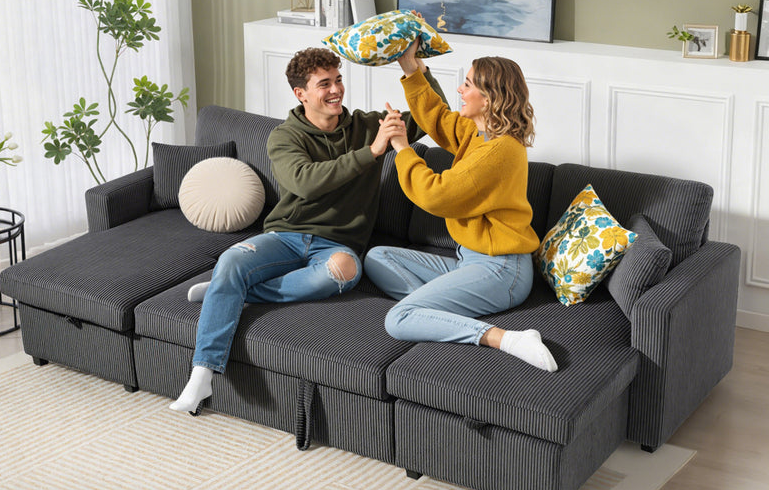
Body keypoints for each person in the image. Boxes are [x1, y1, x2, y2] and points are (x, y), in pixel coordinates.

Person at [170, 46, 448, 413]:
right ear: (301, 94)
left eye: (338, 80)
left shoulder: (367, 126)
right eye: (324, 84)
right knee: (232, 259)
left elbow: (434, 117)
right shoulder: (284, 136)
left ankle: (232, 291)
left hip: (339, 244)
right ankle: (202, 373)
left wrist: (411, 65)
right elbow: (305, 183)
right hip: (285, 235)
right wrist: (373, 152)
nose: (335, 90)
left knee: (345, 271)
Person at [363, 37, 557, 372]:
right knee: (377, 256)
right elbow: (437, 118)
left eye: (466, 85)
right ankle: (437, 314)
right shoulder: (479, 132)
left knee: (399, 318)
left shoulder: (500, 151)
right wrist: (409, 66)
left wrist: (402, 147)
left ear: (489, 97)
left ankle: (507, 338)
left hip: (501, 270)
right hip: (469, 262)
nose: (459, 90)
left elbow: (436, 194)